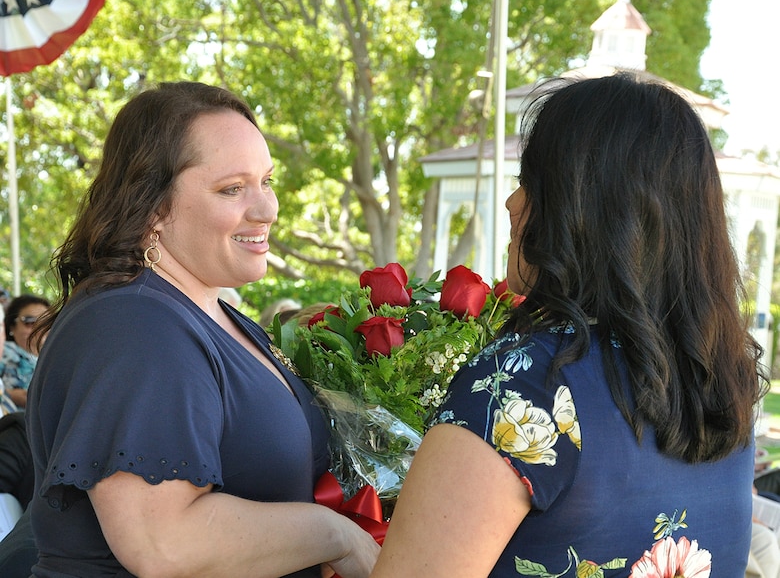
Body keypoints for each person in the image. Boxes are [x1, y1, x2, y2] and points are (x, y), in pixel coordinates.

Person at [370, 73, 765, 577]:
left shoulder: (531, 384)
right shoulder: (725, 382)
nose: (512, 205)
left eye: (531, 183)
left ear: (580, 209)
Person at [25, 81, 380, 577]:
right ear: (151, 205)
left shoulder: (207, 312)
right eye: (232, 188)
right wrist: (335, 537)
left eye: (267, 181)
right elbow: (165, 543)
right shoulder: (136, 324)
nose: (266, 209)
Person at [0, 295, 50, 409]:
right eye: (30, 322)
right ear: (12, 326)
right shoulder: (5, 352)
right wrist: (10, 395)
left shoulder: (58, 358)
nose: (39, 328)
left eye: (46, 322)